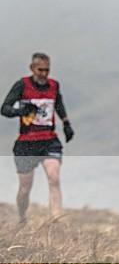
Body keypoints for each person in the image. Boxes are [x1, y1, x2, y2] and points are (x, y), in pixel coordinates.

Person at [1, 53, 75, 225]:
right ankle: (22, 217)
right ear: (32, 68)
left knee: (54, 177)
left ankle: (56, 220)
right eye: (40, 70)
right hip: (26, 142)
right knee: (25, 188)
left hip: (49, 139)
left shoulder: (54, 86)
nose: (44, 73)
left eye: (47, 70)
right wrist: (20, 111)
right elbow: (4, 108)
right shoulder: (22, 85)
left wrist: (66, 123)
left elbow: (59, 104)